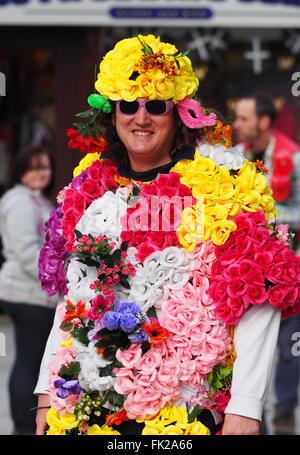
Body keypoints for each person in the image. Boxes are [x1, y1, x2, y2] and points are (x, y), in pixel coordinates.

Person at [34, 35, 299, 436]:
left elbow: (256, 292)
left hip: (188, 411)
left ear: (179, 114)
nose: (142, 118)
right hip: (95, 406)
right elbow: (75, 298)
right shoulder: (93, 187)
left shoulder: (223, 183)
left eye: (156, 106)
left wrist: (247, 405)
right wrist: (46, 394)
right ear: (112, 113)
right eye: (129, 105)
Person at [233, 94, 300, 434]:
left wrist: (262, 219)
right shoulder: (234, 157)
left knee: (289, 349)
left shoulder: (294, 157)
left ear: (263, 121)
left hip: (287, 271)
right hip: (244, 272)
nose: (236, 125)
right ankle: (242, 412)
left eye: (243, 119)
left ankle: (285, 413)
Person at [0, 144, 58, 434]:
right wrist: (58, 279)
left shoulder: (36, 200)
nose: (40, 173)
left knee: (30, 360)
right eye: (34, 167)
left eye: (45, 167)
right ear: (21, 169)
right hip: (26, 292)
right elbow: (28, 253)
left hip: (31, 293)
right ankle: (23, 427)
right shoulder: (19, 201)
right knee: (29, 362)